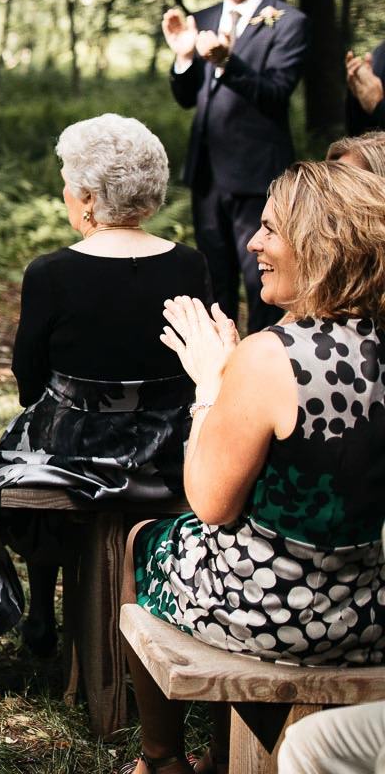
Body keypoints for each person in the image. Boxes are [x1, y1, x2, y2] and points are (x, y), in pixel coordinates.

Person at [125, 160, 385, 774]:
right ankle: (222, 753)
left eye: (271, 230)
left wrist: (210, 383)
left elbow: (211, 504)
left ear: (319, 245)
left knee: (147, 540)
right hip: (372, 612)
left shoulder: (271, 356)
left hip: (276, 615)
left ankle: (163, 759)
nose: (253, 243)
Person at [0, 115, 211, 652]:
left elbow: (28, 380)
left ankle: (40, 610)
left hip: (77, 458)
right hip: (171, 455)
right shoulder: (191, 265)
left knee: (24, 444)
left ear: (88, 197)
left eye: (68, 182)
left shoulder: (50, 273)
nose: (65, 193)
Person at [163, 0, 308, 331]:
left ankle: (264, 358)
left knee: (262, 281)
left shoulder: (289, 22)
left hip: (258, 176)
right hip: (207, 176)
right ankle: (219, 364)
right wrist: (184, 58)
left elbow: (276, 93)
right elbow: (187, 97)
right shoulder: (204, 17)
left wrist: (228, 62)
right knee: (214, 283)